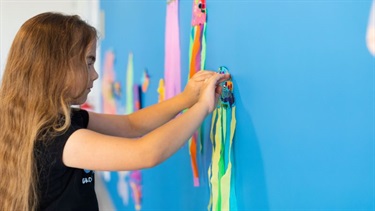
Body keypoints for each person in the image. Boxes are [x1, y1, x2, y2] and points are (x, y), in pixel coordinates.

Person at [0, 12, 230, 211]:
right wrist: (203, 108)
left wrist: (187, 98)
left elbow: (132, 124)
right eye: (89, 62)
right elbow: (146, 153)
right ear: (57, 68)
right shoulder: (58, 139)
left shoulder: (63, 120)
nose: (95, 74)